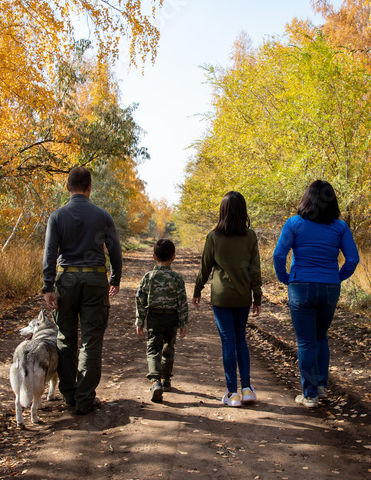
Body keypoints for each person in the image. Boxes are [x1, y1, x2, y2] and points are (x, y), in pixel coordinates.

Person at [42, 166, 122, 415]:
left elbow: (50, 253)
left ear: (67, 188)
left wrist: (48, 286)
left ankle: (69, 395)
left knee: (66, 338)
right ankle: (85, 397)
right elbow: (115, 250)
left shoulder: (57, 216)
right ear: (89, 188)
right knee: (91, 341)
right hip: (95, 280)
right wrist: (115, 278)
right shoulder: (103, 216)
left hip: (66, 281)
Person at [273, 180, 359, 409]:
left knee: (305, 342)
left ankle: (309, 395)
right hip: (330, 287)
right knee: (321, 336)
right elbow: (353, 259)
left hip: (301, 286)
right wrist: (338, 277)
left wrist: (285, 277)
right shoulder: (340, 227)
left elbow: (279, 256)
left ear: (307, 199)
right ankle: (321, 387)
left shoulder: (294, 224)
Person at [193, 191, 262, 408]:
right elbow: (255, 270)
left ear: (223, 212)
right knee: (241, 339)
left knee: (228, 341)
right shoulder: (250, 237)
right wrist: (257, 296)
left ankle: (232, 393)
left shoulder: (214, 237)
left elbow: (205, 267)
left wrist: (197, 290)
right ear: (243, 212)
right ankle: (247, 389)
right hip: (243, 297)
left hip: (221, 297)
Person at [135, 238, 189, 403]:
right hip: (171, 317)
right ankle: (166, 380)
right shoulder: (177, 278)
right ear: (173, 257)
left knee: (153, 350)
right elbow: (182, 301)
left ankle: (155, 381)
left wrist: (140, 320)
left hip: (154, 317)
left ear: (153, 256)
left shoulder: (148, 277)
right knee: (168, 349)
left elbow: (140, 299)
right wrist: (183, 322)